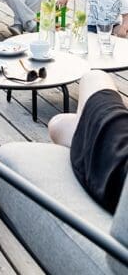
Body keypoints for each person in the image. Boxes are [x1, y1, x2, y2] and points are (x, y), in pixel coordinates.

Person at [48, 70, 128, 213]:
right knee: (58, 124)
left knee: (94, 76)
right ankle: (82, 127)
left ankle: (83, 126)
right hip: (117, 177)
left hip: (118, 166)